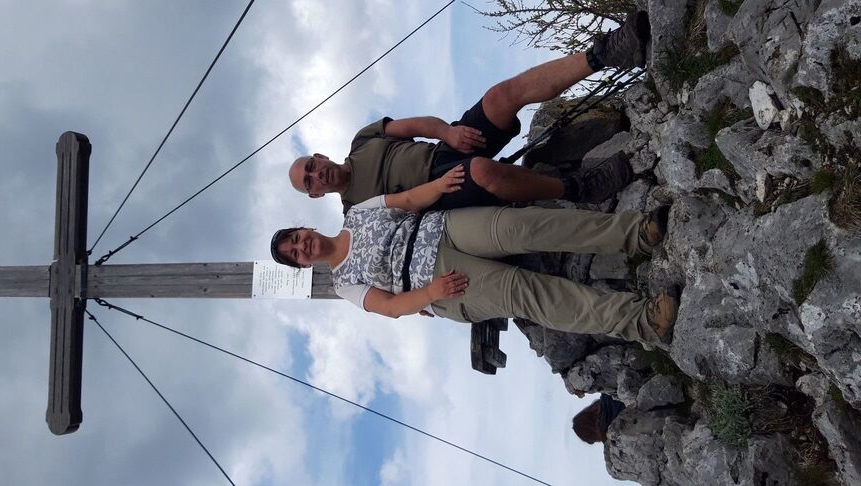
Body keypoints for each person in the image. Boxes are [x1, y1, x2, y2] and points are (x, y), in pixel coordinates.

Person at [269, 164, 678, 345]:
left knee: (525, 226)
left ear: (306, 228)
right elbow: (390, 308)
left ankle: (637, 233)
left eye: (297, 238)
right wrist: (431, 294)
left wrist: (439, 186)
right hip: (435, 282)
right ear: (303, 265)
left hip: (443, 227)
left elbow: (405, 201)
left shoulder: (356, 212)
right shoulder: (344, 284)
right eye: (296, 254)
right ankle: (642, 320)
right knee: (523, 292)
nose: (302, 246)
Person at [288, 12, 651, 214]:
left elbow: (415, 126)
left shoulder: (362, 140)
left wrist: (447, 133)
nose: (316, 175)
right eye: (309, 182)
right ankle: (579, 188)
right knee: (481, 170)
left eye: (311, 166)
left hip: (443, 150)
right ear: (315, 195)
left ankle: (605, 54)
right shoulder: (354, 209)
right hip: (440, 193)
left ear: (319, 156)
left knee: (499, 97)